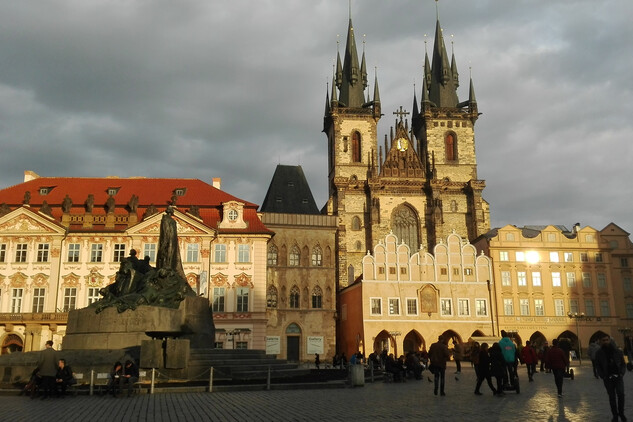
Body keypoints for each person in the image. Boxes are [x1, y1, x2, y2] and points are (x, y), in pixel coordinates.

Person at [594, 334, 626, 422]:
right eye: (603, 340)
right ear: (601, 342)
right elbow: (597, 365)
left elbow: (623, 364)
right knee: (612, 397)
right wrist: (602, 375)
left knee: (621, 395)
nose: (605, 342)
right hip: (607, 378)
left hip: (618, 377)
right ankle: (615, 415)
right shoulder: (599, 353)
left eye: (607, 340)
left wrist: (622, 373)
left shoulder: (617, 351)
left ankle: (621, 413)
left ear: (610, 340)